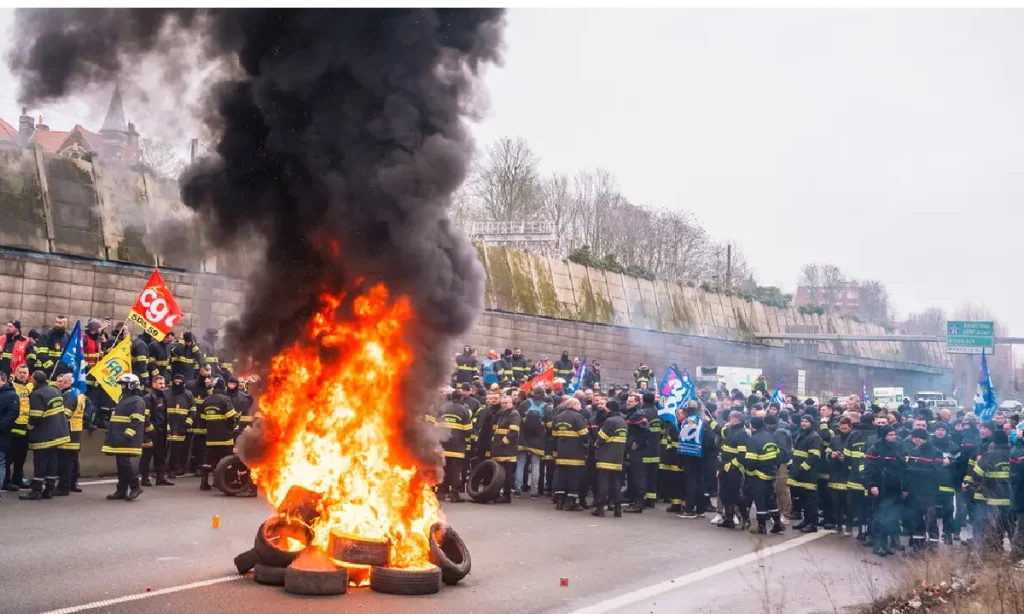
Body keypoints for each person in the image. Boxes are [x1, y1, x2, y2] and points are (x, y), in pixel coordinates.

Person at [20, 370, 71, 500]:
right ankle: (49, 489)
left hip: (44, 434)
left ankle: (36, 490)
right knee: (52, 461)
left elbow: (35, 416)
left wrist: (29, 428)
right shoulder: (56, 391)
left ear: (34, 380)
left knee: (40, 462)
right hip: (58, 433)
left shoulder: (37, 394)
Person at [103, 373, 146, 501]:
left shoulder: (137, 400)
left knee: (124, 464)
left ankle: (135, 486)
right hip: (118, 435)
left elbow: (137, 419)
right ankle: (121, 490)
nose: (122, 387)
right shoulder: (123, 399)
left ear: (132, 385)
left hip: (127, 437)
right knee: (121, 464)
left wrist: (129, 433)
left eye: (124, 384)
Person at [865, 426, 906, 556]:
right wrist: (872, 485)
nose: (893, 437)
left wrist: (904, 487)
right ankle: (877, 543)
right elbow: (869, 469)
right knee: (879, 516)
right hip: (880, 487)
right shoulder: (875, 448)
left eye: (894, 434)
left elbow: (904, 468)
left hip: (895, 488)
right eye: (890, 435)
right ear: (884, 435)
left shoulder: (898, 447)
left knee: (891, 517)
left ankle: (885, 543)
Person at [742, 416, 785, 535]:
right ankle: (777, 523)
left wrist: (749, 470)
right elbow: (778, 454)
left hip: (758, 475)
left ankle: (761, 527)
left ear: (752, 426)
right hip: (770, 474)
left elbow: (750, 460)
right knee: (771, 499)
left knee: (760, 500)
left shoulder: (753, 439)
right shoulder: (770, 436)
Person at [973, 428, 1012, 554]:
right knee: (1012, 528)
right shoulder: (1014, 455)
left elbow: (976, 476)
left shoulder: (989, 456)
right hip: (1013, 500)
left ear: (993, 442)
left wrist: (980, 486)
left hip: (993, 499)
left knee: (994, 527)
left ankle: (995, 551)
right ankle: (1017, 553)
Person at [429, 389, 472, 503]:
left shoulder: (443, 409)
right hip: (458, 447)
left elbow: (435, 427)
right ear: (461, 398)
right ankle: (454, 494)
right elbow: (468, 430)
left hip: (443, 446)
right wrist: (467, 443)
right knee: (456, 471)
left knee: (444, 469)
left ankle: (441, 492)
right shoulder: (464, 410)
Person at [905, 428, 942, 552]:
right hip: (915, 491)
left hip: (929, 492)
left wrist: (915, 471)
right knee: (916, 518)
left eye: (914, 438)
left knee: (931, 519)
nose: (912, 440)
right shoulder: (914, 451)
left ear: (919, 439)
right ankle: (918, 545)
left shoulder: (936, 453)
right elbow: (908, 470)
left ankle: (933, 545)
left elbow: (936, 472)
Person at [55, 373, 93, 496]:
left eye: (63, 381)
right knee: (72, 460)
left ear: (67, 382)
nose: (61, 383)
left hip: (68, 431)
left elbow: (65, 415)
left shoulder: (69, 395)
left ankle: (63, 487)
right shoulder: (80, 394)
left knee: (64, 461)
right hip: (76, 430)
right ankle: (72, 483)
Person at [199, 377, 237, 491]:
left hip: (210, 438)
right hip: (224, 438)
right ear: (223, 387)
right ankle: (227, 482)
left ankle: (204, 483)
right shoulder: (225, 399)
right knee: (227, 461)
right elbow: (231, 417)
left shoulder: (206, 400)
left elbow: (202, 419)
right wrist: (231, 427)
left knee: (208, 461)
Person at [551, 397, 589, 511]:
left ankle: (559, 501)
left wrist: (555, 451)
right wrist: (585, 446)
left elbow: (554, 436)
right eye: (579, 405)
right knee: (574, 478)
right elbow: (584, 435)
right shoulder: (578, 417)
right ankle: (571, 502)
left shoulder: (558, 417)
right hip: (575, 454)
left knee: (561, 477)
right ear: (574, 405)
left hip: (561, 453)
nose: (581, 407)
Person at [593, 398, 627, 518]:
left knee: (603, 483)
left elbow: (601, 438)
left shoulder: (610, 421)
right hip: (618, 458)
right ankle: (618, 509)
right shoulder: (623, 421)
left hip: (605, 457)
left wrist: (596, 445)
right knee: (616, 483)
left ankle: (600, 508)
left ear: (609, 409)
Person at [789, 413, 823, 533]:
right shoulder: (801, 435)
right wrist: (792, 464)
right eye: (802, 421)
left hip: (809, 474)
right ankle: (806, 520)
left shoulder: (815, 437)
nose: (804, 423)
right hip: (799, 473)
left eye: (806, 422)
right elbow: (795, 453)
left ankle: (812, 524)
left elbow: (814, 456)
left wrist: (803, 467)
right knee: (803, 499)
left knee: (810, 501)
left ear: (811, 424)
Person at [717, 410, 751, 528]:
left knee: (736, 495)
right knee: (724, 494)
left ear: (735, 420)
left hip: (735, 470)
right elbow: (719, 431)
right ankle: (729, 519)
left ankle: (746, 519)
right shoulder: (730, 431)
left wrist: (732, 464)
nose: (729, 420)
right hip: (724, 467)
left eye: (731, 418)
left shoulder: (741, 434)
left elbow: (743, 454)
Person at [2, 363, 32, 491]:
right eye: (20, 372)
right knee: (8, 457)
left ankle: (17, 480)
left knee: (21, 457)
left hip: (26, 426)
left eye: (25, 373)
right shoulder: (11, 386)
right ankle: (6, 481)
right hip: (13, 426)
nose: (22, 375)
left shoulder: (31, 387)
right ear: (15, 373)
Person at [140, 375, 174, 487]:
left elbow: (165, 415)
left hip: (161, 431)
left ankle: (161, 478)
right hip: (150, 432)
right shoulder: (148, 398)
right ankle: (144, 479)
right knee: (147, 456)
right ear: (154, 384)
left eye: (163, 383)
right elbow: (145, 416)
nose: (162, 386)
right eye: (160, 383)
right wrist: (150, 430)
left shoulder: (164, 397)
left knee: (161, 455)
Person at [516, 385, 549, 499]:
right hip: (538, 440)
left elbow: (518, 420)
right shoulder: (546, 406)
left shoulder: (524, 404)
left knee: (520, 464)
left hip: (523, 438)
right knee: (536, 466)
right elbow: (549, 425)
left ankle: (517, 490)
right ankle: (534, 492)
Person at [929, 422, 958, 545]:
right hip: (931, 483)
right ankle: (933, 535)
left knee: (948, 510)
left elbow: (958, 462)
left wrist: (951, 461)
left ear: (946, 432)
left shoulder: (953, 446)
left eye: (942, 430)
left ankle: (948, 533)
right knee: (931, 511)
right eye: (938, 429)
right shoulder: (929, 444)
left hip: (947, 483)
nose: (940, 432)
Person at [490, 394, 520, 504]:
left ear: (511, 403)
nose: (504, 405)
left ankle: (506, 495)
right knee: (498, 474)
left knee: (507, 475)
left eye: (506, 403)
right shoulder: (502, 414)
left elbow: (513, 432)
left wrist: (503, 442)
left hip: (508, 450)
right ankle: (497, 494)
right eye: (502, 403)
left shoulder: (514, 414)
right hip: (499, 449)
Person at [624, 394, 651, 514]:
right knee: (632, 475)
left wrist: (637, 443)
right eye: (627, 401)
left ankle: (639, 503)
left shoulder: (639, 414)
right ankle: (633, 498)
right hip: (630, 449)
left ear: (637, 402)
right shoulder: (631, 413)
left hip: (637, 450)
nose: (628, 403)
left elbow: (646, 431)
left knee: (638, 476)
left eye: (630, 401)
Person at [827, 417, 854, 536]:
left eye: (846, 428)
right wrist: (831, 455)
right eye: (842, 428)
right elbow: (827, 452)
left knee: (849, 504)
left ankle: (849, 526)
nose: (843, 430)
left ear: (850, 428)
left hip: (848, 475)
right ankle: (838, 526)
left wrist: (846, 459)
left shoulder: (854, 439)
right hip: (835, 474)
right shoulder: (834, 439)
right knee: (836, 503)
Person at [166, 373, 195, 477]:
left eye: (180, 381)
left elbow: (193, 410)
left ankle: (179, 468)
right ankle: (166, 469)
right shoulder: (166, 393)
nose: (177, 383)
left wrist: (188, 422)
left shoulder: (188, 394)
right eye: (176, 380)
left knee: (180, 450)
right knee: (166, 450)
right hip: (168, 426)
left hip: (182, 426)